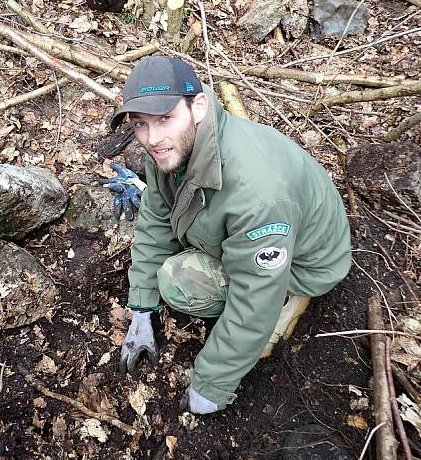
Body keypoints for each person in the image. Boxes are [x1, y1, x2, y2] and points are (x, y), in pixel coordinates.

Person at [108, 55, 352, 415]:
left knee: (178, 282)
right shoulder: (169, 150)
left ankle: (293, 300)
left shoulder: (256, 195)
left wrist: (210, 385)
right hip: (254, 236)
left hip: (305, 264)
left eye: (165, 118)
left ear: (200, 106)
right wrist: (142, 308)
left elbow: (254, 298)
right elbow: (155, 221)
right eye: (141, 123)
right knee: (165, 276)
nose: (153, 137)